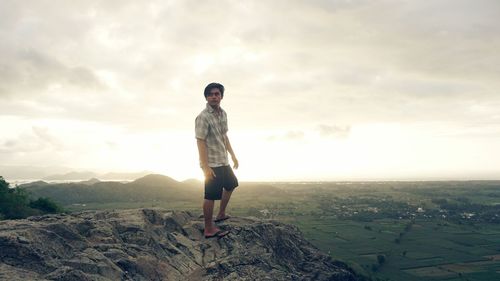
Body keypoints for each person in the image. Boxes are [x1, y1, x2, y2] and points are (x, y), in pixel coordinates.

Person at [195, 82, 239, 239]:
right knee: (211, 195)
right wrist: (205, 166)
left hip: (223, 160)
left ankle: (221, 214)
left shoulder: (223, 114)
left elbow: (224, 136)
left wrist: (233, 155)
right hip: (211, 163)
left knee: (231, 184)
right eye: (211, 94)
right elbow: (200, 141)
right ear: (206, 97)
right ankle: (208, 228)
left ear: (221, 96)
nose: (214, 96)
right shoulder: (203, 117)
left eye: (217, 94)